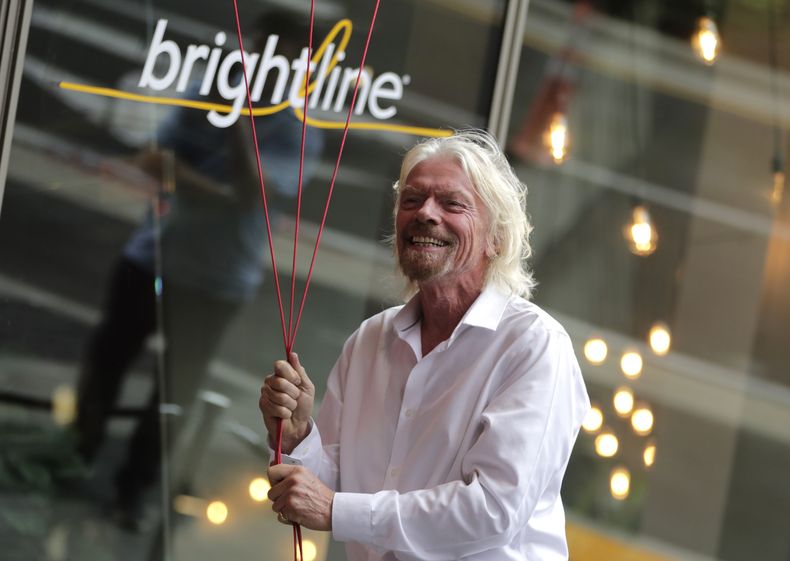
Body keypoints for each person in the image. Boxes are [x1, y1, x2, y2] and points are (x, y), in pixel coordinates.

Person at [259, 130, 589, 560]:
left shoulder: (534, 346)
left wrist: (337, 510)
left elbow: (493, 509)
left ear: (497, 238)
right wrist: (299, 433)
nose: (425, 214)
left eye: (452, 204)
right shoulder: (369, 341)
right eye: (412, 200)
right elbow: (329, 490)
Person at [74, 9, 324, 529]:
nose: (264, 59)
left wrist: (237, 126)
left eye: (282, 52)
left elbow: (257, 190)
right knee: (108, 359)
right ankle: (76, 459)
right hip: (156, 254)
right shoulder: (209, 94)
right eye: (262, 46)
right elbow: (154, 157)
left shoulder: (297, 128)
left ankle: (133, 490)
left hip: (218, 278)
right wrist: (219, 192)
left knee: (175, 388)